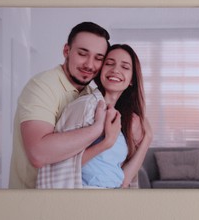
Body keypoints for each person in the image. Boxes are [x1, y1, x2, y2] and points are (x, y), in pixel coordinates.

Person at [9, 21, 120, 188]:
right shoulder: (42, 86)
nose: (90, 65)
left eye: (98, 58)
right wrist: (97, 129)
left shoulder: (91, 95)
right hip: (30, 202)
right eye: (83, 54)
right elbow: (38, 154)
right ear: (66, 51)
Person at [37, 44, 153, 189]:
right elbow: (61, 166)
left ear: (131, 80)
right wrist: (106, 142)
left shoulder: (121, 120)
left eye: (125, 67)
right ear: (100, 71)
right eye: (109, 63)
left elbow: (123, 181)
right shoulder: (86, 106)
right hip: (84, 199)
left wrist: (147, 139)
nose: (115, 70)